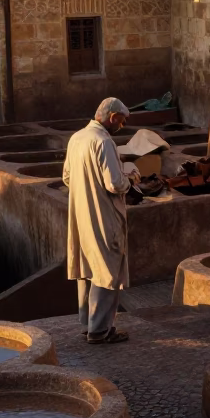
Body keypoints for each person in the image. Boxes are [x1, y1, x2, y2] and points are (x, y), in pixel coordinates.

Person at [63, 97, 140, 345]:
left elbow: (66, 176)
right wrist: (132, 178)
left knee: (87, 270)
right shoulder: (103, 141)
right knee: (107, 271)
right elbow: (115, 183)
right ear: (113, 117)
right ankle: (100, 331)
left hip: (81, 214)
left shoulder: (77, 137)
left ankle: (88, 325)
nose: (122, 125)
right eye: (122, 120)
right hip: (103, 215)